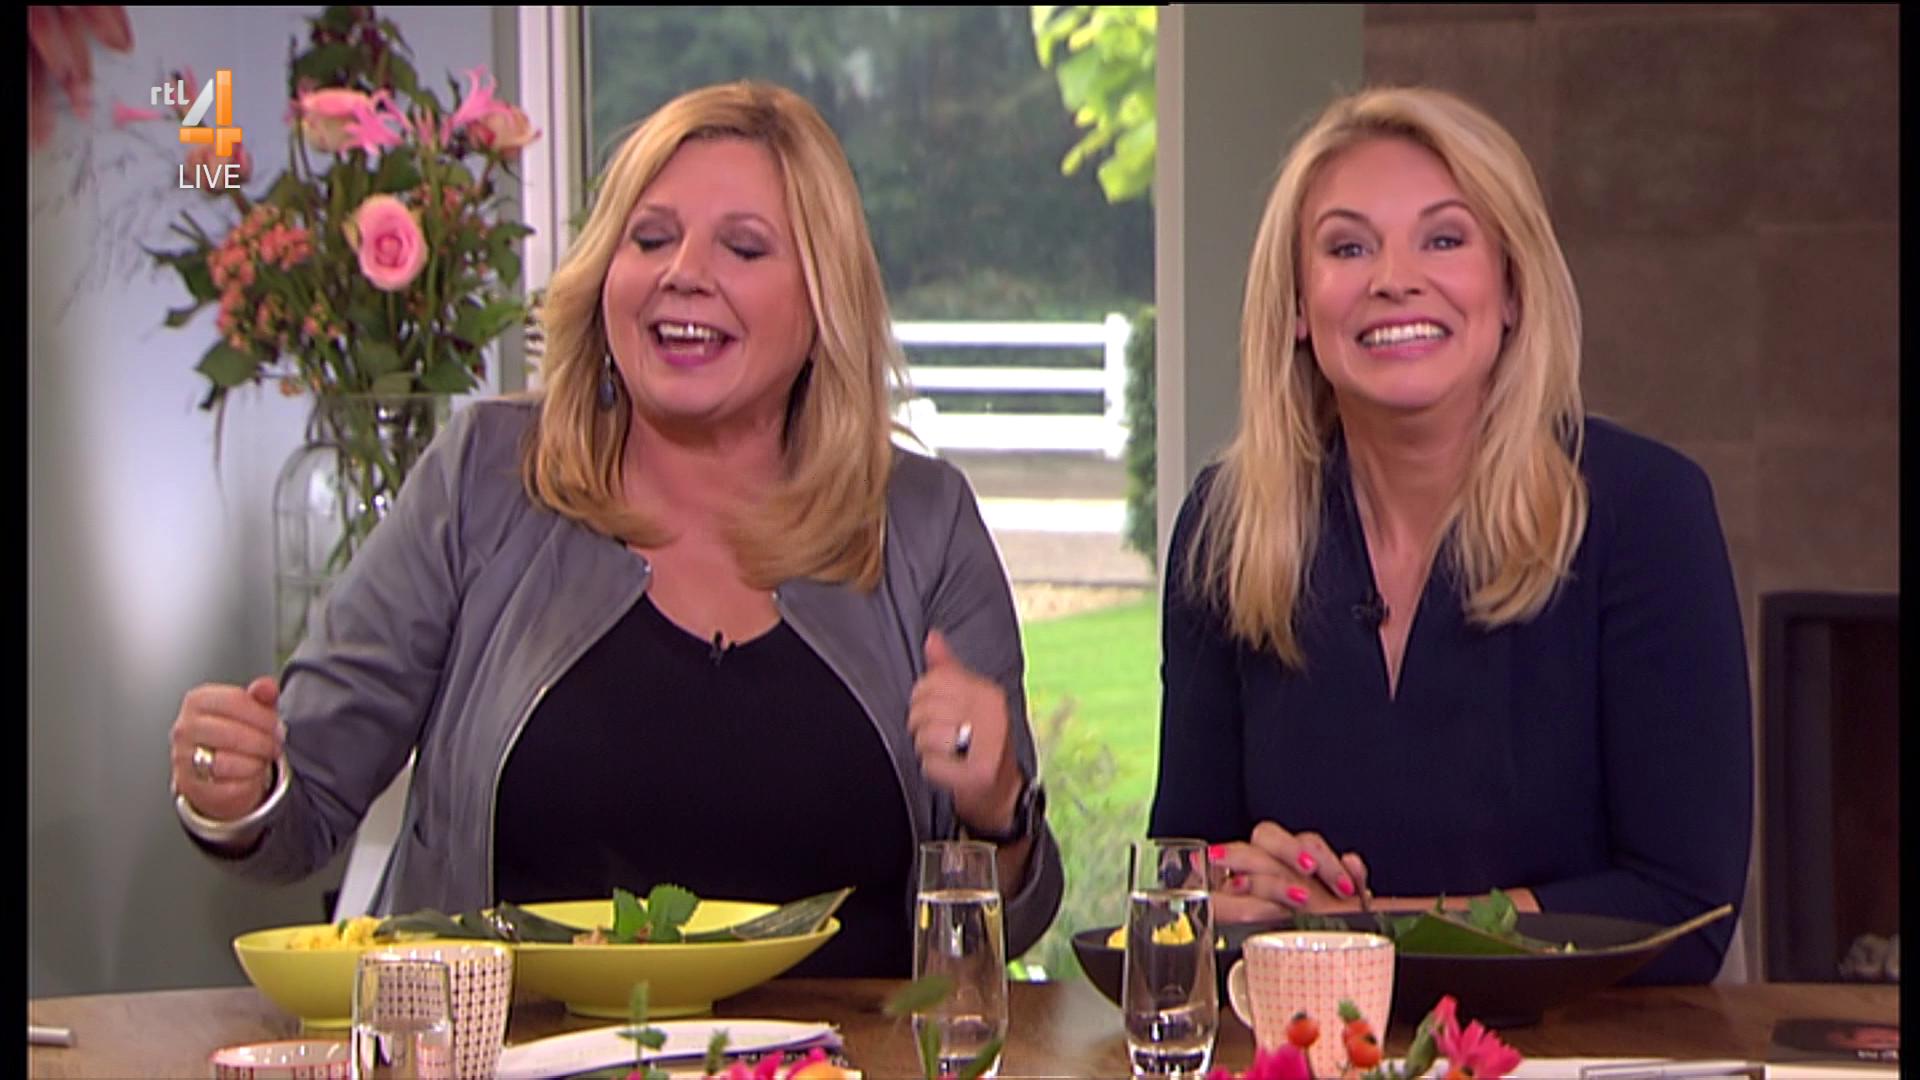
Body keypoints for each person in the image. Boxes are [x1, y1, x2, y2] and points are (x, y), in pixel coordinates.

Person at [167, 80, 1063, 977]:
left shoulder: (923, 524)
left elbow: (1006, 925)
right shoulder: (484, 479)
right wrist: (238, 787)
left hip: (844, 1052)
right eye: (651, 239)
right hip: (504, 1044)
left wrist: (998, 809)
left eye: (743, 247)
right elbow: (300, 810)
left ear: (824, 298)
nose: (684, 273)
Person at [1147, 86, 1752, 984]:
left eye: (1443, 239)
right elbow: (1177, 883)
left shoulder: (1646, 512)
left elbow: (1684, 909)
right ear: (1299, 308)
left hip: (1579, 1044)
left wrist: (1359, 929)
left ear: (1511, 288)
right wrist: (1228, 891)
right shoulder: (1229, 528)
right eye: (1348, 247)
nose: (1395, 278)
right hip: (1304, 1040)